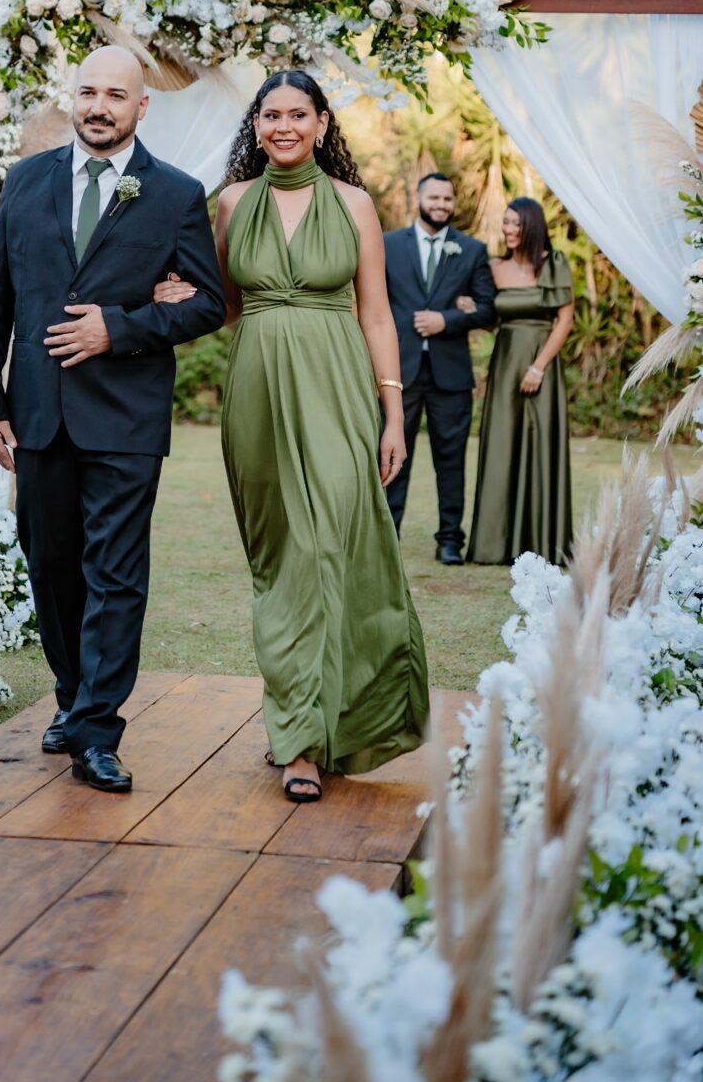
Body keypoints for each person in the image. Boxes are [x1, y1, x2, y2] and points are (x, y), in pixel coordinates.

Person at [161, 71, 428, 802]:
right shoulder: (232, 202)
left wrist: (393, 414)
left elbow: (377, 314)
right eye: (269, 114)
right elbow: (221, 304)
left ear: (321, 123)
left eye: (296, 114)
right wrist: (168, 297)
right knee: (282, 558)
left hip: (338, 388)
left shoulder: (353, 204)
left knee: (329, 547)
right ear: (256, 125)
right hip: (257, 391)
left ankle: (314, 736)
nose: (282, 126)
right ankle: (297, 725)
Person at [0, 46, 225, 794]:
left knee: (115, 574)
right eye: (88, 93)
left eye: (115, 95)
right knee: (49, 566)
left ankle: (97, 730)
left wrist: (120, 326)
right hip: (38, 412)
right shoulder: (25, 181)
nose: (99, 107)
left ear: (142, 106)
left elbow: (207, 304)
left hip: (126, 417)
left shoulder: (175, 194)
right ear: (71, 98)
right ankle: (72, 697)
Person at [383, 173, 496, 566]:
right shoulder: (387, 245)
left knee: (451, 461)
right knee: (393, 455)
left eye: (447, 199)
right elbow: (372, 304)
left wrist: (446, 320)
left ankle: (449, 541)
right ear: (418, 198)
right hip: (400, 371)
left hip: (451, 374)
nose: (441, 204)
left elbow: (488, 309)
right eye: (434, 197)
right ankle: (387, 535)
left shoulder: (472, 250)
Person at [466, 198, 573, 566]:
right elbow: (492, 320)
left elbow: (565, 320)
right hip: (506, 365)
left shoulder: (554, 263)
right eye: (506, 223)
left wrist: (539, 367)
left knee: (541, 444)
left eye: (516, 223)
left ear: (532, 225)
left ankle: (543, 541)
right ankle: (495, 544)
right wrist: (472, 310)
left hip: (543, 366)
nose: (508, 230)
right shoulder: (494, 268)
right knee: (501, 446)